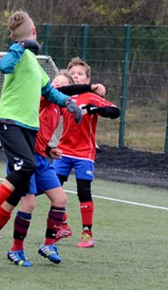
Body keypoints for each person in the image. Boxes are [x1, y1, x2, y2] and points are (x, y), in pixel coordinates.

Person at [0, 10, 82, 263]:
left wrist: (69, 103)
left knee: (20, 186)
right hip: (10, 121)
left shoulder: (35, 64)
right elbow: (4, 66)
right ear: (32, 34)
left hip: (28, 129)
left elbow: (49, 91)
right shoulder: (18, 54)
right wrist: (19, 46)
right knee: (27, 167)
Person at [2, 70, 104, 267]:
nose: (56, 87)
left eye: (60, 85)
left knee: (60, 199)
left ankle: (48, 245)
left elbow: (37, 135)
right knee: (28, 204)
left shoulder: (58, 110)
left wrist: (49, 149)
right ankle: (16, 249)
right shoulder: (42, 99)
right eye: (54, 83)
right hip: (27, 159)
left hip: (41, 159)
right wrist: (89, 86)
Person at [53, 57, 121, 248]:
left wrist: (97, 109)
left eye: (80, 74)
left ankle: (87, 234)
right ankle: (63, 225)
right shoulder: (63, 97)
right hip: (64, 151)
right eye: (72, 73)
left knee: (83, 192)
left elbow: (115, 111)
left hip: (84, 153)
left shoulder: (91, 97)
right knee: (52, 187)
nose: (76, 76)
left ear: (87, 78)